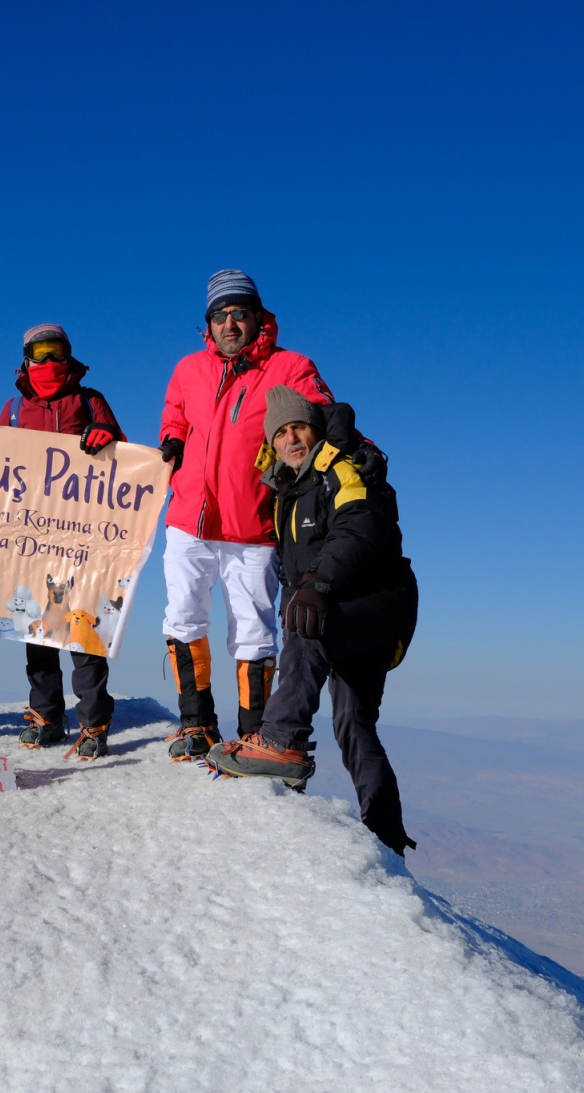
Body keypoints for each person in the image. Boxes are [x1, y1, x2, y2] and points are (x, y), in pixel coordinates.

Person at [208, 386, 418, 857]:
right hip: (350, 611)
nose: (291, 437)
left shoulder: (342, 468)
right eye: (280, 432)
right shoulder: (290, 489)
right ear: (272, 443)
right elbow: (294, 573)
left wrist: (317, 584)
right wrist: (309, 589)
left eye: (298, 426)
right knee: (354, 722)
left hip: (379, 603)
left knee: (306, 623)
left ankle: (282, 742)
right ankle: (387, 838)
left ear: (316, 427)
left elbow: (360, 527)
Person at [159, 270, 337, 760]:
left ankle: (254, 735)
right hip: (189, 518)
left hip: (254, 522)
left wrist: (346, 436)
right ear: (208, 324)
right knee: (183, 617)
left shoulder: (289, 365)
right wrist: (172, 435)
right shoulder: (188, 369)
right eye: (220, 315)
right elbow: (176, 410)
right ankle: (195, 724)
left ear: (259, 318)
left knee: (254, 628)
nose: (230, 323)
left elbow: (321, 414)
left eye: (240, 313)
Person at [0, 324, 125, 760]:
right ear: (26, 359)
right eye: (41, 352)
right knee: (38, 626)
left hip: (81, 534)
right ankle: (46, 715)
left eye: (58, 352)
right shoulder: (12, 410)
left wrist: (108, 439)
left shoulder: (90, 401)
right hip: (30, 535)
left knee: (82, 626)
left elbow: (124, 460)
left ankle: (94, 721)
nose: (50, 362)